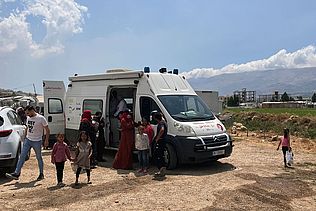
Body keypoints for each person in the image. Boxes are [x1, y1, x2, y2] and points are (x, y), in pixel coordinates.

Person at [6, 105, 50, 180]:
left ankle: (41, 174)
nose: (27, 114)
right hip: (28, 140)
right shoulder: (28, 117)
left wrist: (46, 140)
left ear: (32, 110)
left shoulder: (41, 118)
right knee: (22, 157)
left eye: (28, 113)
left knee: (39, 158)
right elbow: (27, 127)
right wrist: (25, 137)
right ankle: (16, 173)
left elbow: (47, 130)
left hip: (37, 141)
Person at [153, 112, 168, 177]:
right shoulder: (164, 122)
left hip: (161, 140)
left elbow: (162, 130)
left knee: (158, 155)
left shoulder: (161, 123)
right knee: (160, 154)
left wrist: (157, 138)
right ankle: (162, 169)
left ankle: (161, 169)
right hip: (163, 140)